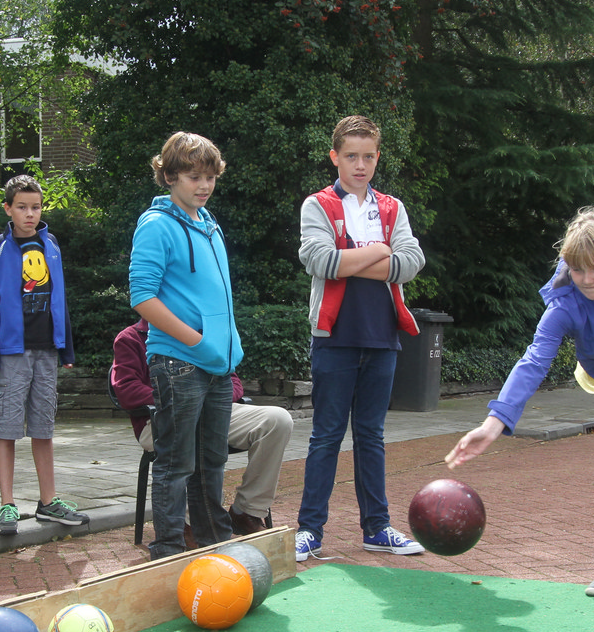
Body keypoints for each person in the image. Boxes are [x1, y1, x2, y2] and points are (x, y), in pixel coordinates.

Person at [445, 206, 594, 597]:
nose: (587, 280)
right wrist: (493, 424)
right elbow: (534, 360)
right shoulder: (564, 299)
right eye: (577, 269)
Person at [294, 114, 427, 562]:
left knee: (371, 436)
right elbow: (319, 261)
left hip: (382, 336)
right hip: (334, 336)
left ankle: (377, 528)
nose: (360, 165)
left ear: (377, 158)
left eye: (368, 156)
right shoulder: (317, 205)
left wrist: (351, 258)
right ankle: (309, 531)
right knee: (326, 436)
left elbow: (411, 262)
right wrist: (380, 251)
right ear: (335, 157)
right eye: (351, 156)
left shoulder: (392, 207)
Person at [128, 132, 244, 559]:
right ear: (170, 176)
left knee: (212, 463)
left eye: (210, 177)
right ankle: (168, 553)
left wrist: (227, 346)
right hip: (178, 362)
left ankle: (217, 548)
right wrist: (197, 340)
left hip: (217, 366)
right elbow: (142, 296)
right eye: (194, 177)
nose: (204, 185)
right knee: (176, 464)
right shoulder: (156, 225)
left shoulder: (208, 223)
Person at [111, 319, 293, 535]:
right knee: (192, 424)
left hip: (214, 411)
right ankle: (191, 523)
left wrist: (209, 400)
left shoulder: (200, 333)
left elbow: (233, 381)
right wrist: (182, 398)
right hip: (159, 419)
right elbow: (125, 389)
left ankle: (247, 511)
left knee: (277, 420)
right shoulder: (130, 338)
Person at [0, 173, 88, 536]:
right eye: (22, 207)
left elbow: (60, 298)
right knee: (7, 429)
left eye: (36, 207)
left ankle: (48, 502)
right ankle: (7, 505)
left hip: (46, 350)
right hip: (11, 351)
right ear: (8, 209)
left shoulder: (51, 244)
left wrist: (66, 346)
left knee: (43, 427)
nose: (30, 214)